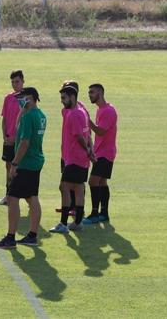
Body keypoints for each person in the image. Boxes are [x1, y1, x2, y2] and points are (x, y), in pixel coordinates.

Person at [0, 87, 46, 249]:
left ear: (30, 98)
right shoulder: (40, 115)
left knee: (13, 198)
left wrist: (14, 164)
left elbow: (24, 142)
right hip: (36, 161)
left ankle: (10, 237)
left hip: (26, 163)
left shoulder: (28, 117)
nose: (18, 100)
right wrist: (21, 112)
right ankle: (32, 235)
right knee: (31, 197)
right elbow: (19, 129)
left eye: (21, 98)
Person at [52, 83, 94, 233]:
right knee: (78, 188)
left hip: (75, 158)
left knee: (64, 187)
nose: (62, 100)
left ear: (72, 97)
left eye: (64, 98)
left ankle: (63, 224)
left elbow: (79, 136)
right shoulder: (80, 111)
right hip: (81, 159)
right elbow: (87, 133)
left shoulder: (75, 113)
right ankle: (77, 222)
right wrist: (90, 151)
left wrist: (88, 150)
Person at [83, 83, 118, 225]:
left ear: (100, 93)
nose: (89, 95)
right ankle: (104, 213)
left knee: (93, 181)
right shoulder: (101, 110)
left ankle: (95, 213)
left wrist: (87, 120)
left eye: (92, 92)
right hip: (101, 152)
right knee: (102, 182)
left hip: (106, 153)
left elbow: (101, 131)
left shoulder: (108, 111)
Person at [0, 71, 26, 205]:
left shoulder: (27, 98)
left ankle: (23, 197)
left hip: (20, 141)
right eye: (13, 82)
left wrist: (16, 138)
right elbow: (4, 119)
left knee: (20, 168)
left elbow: (26, 122)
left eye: (17, 82)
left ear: (23, 81)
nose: (15, 84)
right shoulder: (8, 98)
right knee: (8, 167)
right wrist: (5, 137)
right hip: (8, 140)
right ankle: (8, 195)